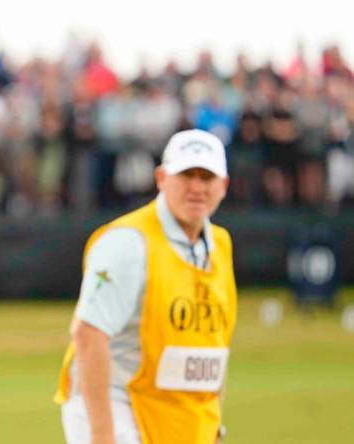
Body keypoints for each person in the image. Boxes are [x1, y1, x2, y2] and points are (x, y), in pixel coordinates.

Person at [54, 129, 238, 444]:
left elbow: (212, 345)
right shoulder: (127, 243)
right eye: (186, 175)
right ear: (161, 178)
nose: (196, 188)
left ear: (223, 186)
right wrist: (102, 435)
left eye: (206, 177)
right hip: (117, 405)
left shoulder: (219, 244)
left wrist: (213, 425)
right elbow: (88, 335)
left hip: (178, 414)